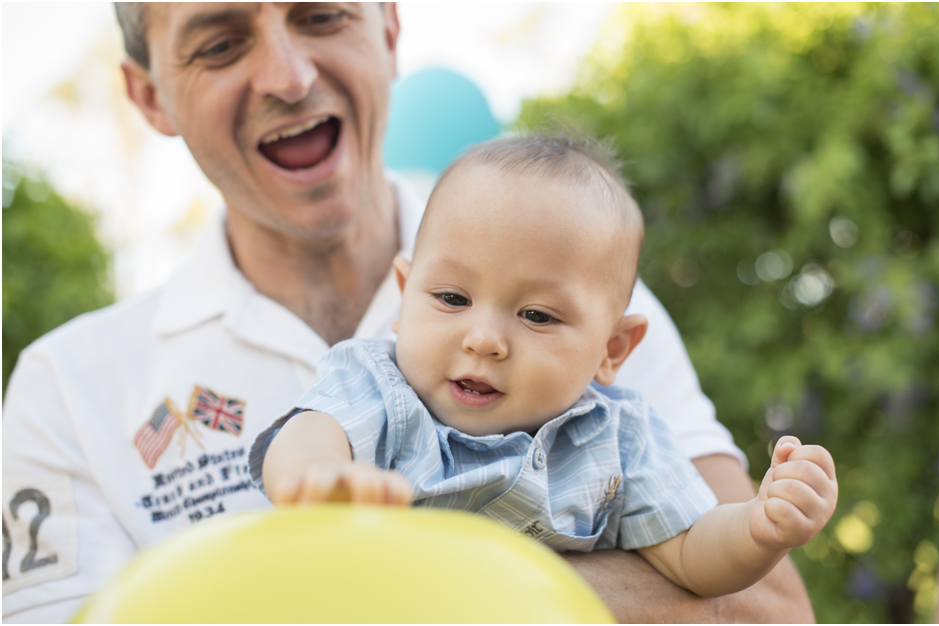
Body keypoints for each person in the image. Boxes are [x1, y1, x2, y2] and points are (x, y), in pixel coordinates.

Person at [1, 3, 814, 622]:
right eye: (219, 43)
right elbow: (307, 442)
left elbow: (765, 607)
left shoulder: (583, 306)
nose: (287, 76)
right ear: (149, 97)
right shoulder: (67, 388)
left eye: (320, 13)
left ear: (388, 26)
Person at [250, 134, 838, 597]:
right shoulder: (377, 385)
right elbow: (308, 433)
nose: (483, 339)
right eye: (452, 299)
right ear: (404, 296)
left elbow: (690, 554)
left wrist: (759, 530)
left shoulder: (619, 441)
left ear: (612, 350)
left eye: (535, 315)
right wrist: (317, 476)